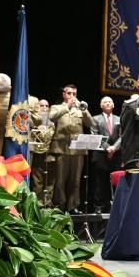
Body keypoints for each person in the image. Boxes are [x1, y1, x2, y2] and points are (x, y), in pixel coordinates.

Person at [48, 84, 93, 213]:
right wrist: (67, 106)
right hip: (61, 149)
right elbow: (51, 117)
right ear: (64, 94)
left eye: (74, 94)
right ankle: (59, 206)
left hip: (78, 151)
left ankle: (73, 207)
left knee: (75, 181)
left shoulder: (80, 109)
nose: (72, 96)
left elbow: (89, 123)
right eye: (69, 93)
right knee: (60, 180)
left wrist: (84, 110)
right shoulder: (57, 107)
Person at [89, 96, 120, 211]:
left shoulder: (119, 119)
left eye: (110, 102)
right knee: (100, 182)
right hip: (101, 155)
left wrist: (114, 148)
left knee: (115, 181)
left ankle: (115, 205)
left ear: (113, 105)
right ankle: (99, 206)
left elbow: (123, 136)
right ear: (101, 105)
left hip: (116, 155)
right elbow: (96, 135)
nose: (107, 103)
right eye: (105, 102)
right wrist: (108, 148)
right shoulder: (95, 119)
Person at [28, 98, 55, 207]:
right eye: (41, 105)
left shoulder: (52, 121)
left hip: (51, 154)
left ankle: (48, 205)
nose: (44, 108)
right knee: (37, 181)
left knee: (50, 182)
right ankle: (38, 205)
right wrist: (36, 127)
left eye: (46, 106)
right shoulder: (33, 120)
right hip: (37, 154)